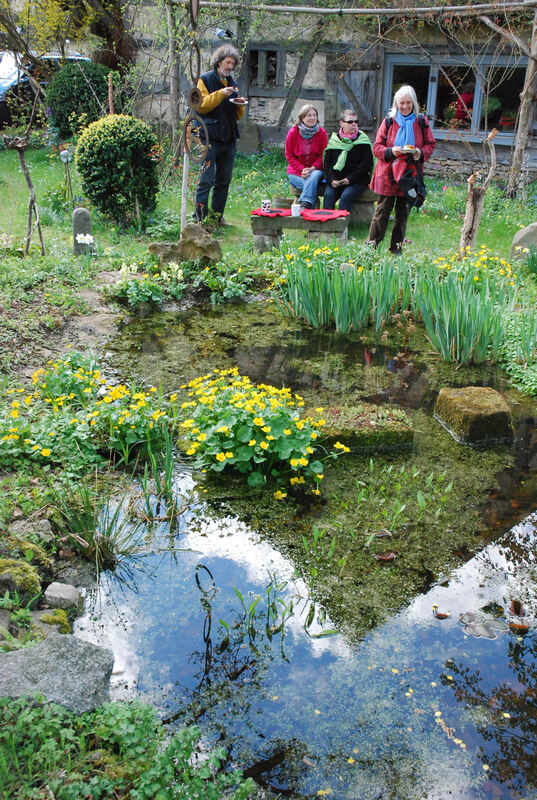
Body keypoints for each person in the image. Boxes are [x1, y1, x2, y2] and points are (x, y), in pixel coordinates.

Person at [367, 85, 435, 254]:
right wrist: (392, 151)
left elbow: (430, 144)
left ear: (414, 104)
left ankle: (396, 251)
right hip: (389, 175)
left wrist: (420, 152)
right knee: (382, 213)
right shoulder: (389, 121)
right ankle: (371, 249)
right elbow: (376, 148)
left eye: (408, 103)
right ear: (396, 104)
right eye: (401, 103)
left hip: (410, 176)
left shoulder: (421, 122)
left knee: (402, 215)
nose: (405, 107)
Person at [194, 44, 245, 225]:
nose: (230, 66)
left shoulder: (233, 83)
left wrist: (240, 104)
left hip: (229, 137)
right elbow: (202, 104)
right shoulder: (205, 79)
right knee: (206, 179)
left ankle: (216, 217)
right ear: (219, 62)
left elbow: (237, 115)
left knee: (224, 181)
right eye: (227, 62)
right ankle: (199, 218)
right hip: (209, 137)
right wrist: (221, 94)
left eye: (232, 63)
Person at [323, 109, 373, 212]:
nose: (354, 124)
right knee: (328, 196)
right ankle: (326, 226)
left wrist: (350, 178)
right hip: (336, 179)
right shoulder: (334, 140)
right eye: (350, 122)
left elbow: (367, 164)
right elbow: (327, 164)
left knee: (346, 197)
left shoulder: (362, 140)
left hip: (357, 180)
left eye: (356, 121)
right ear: (341, 123)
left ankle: (342, 226)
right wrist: (332, 180)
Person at [285, 104, 328, 210]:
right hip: (296, 172)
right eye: (309, 115)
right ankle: (311, 214)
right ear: (302, 117)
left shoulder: (321, 133)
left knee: (313, 177)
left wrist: (312, 168)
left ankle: (305, 206)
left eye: (314, 115)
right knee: (311, 187)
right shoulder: (293, 132)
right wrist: (302, 169)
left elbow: (324, 155)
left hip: (316, 170)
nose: (312, 118)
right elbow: (289, 155)